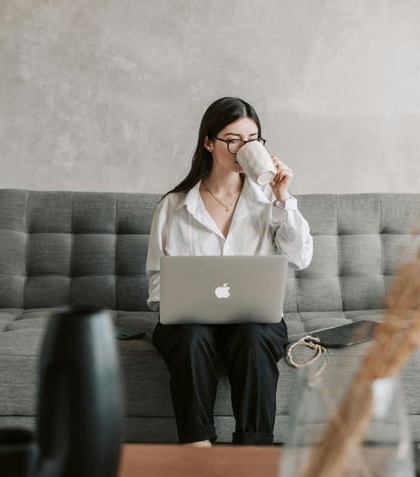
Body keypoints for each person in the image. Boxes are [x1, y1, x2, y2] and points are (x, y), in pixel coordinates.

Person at [145, 97, 313, 447]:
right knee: (190, 337)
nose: (243, 148)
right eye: (233, 139)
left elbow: (301, 258)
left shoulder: (269, 201)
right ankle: (197, 449)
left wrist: (283, 197)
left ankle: (253, 452)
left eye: (252, 139)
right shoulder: (174, 206)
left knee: (253, 338)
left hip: (252, 320)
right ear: (209, 142)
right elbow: (158, 282)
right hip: (190, 324)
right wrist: (180, 302)